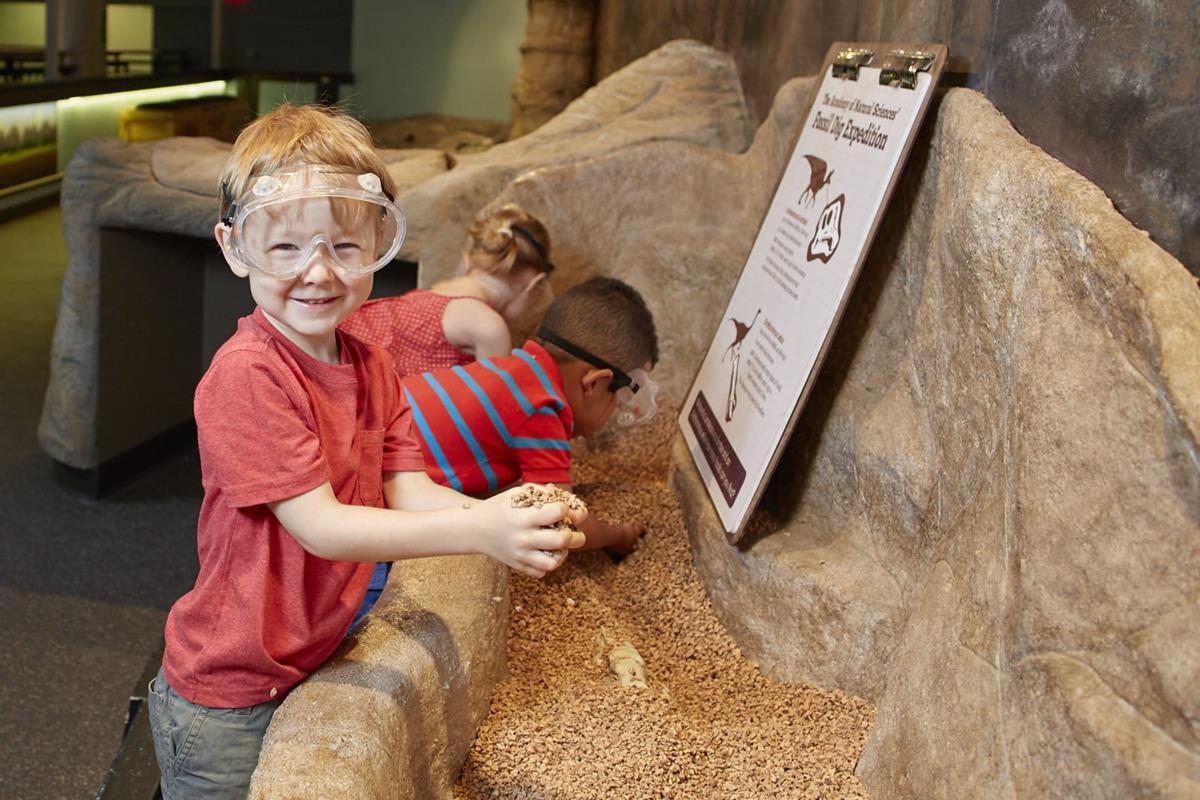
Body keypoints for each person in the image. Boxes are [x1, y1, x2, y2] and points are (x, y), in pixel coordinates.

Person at [146, 103, 585, 800]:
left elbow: (407, 487)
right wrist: (479, 529)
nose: (318, 272)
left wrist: (506, 514)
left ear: (380, 241)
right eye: (285, 248)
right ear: (235, 247)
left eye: (345, 246)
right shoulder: (248, 375)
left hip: (311, 653)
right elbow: (322, 527)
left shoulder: (372, 362)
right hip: (230, 690)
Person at [401, 275, 660, 556]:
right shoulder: (541, 408)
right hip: (384, 483)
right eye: (621, 398)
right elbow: (560, 522)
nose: (617, 409)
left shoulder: (510, 370)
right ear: (595, 384)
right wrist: (618, 536)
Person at [339, 204, 555, 374]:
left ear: (468, 259)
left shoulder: (424, 296)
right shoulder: (489, 327)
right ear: (534, 282)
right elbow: (494, 408)